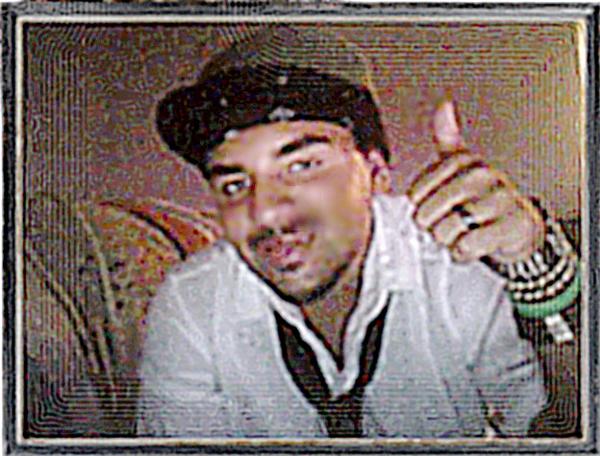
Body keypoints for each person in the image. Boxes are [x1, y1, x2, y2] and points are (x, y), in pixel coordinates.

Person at [136, 26, 580, 438]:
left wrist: (532, 261)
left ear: (376, 173)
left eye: (302, 165)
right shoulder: (191, 302)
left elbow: (557, 428)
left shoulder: (452, 254)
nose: (266, 213)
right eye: (235, 184)